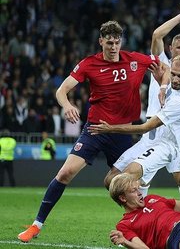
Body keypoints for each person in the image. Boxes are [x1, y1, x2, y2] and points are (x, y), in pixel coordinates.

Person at [18, 20, 166, 243]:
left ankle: (143, 231)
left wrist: (162, 86)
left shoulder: (135, 59)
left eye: (117, 42)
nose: (113, 47)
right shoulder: (89, 64)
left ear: (121, 41)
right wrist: (67, 105)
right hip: (96, 129)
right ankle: (36, 225)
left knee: (133, 184)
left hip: (123, 133)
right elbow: (61, 90)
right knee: (65, 173)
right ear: (101, 42)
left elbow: (164, 68)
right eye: (109, 43)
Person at [96, 1, 180, 200]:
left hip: (176, 136)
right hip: (153, 129)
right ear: (170, 48)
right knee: (125, 177)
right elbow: (156, 35)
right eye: (178, 47)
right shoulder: (160, 63)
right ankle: (140, 211)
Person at [88, 55, 180, 196]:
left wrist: (110, 128)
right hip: (152, 137)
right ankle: (142, 200)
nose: (175, 79)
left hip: (170, 143)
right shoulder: (170, 79)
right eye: (174, 74)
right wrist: (160, 82)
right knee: (110, 181)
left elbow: (144, 127)